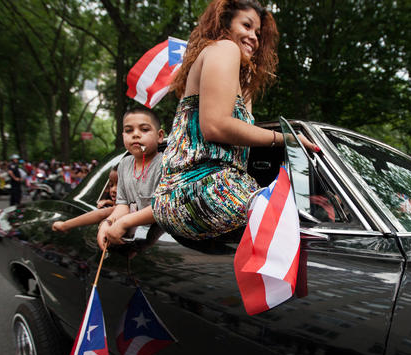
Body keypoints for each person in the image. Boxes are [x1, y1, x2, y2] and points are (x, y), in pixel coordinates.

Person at [149, 0, 318, 242]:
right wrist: (287, 139)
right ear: (224, 25)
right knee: (298, 225)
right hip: (204, 191)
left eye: (258, 33)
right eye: (246, 26)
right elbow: (216, 126)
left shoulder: (238, 74)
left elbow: (240, 134)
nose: (253, 37)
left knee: (302, 215)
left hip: (200, 193)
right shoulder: (224, 48)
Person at [98, 108, 164, 248]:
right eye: (129, 130)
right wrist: (108, 223)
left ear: (160, 136)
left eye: (144, 129)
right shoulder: (124, 164)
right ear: (123, 136)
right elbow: (123, 204)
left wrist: (124, 222)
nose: (135, 135)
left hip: (157, 239)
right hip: (131, 238)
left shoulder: (166, 163)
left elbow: (163, 207)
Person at [52, 167, 118, 233]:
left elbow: (102, 213)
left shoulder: (122, 209)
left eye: (119, 185)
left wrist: (64, 225)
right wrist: (109, 201)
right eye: (111, 185)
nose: (113, 190)